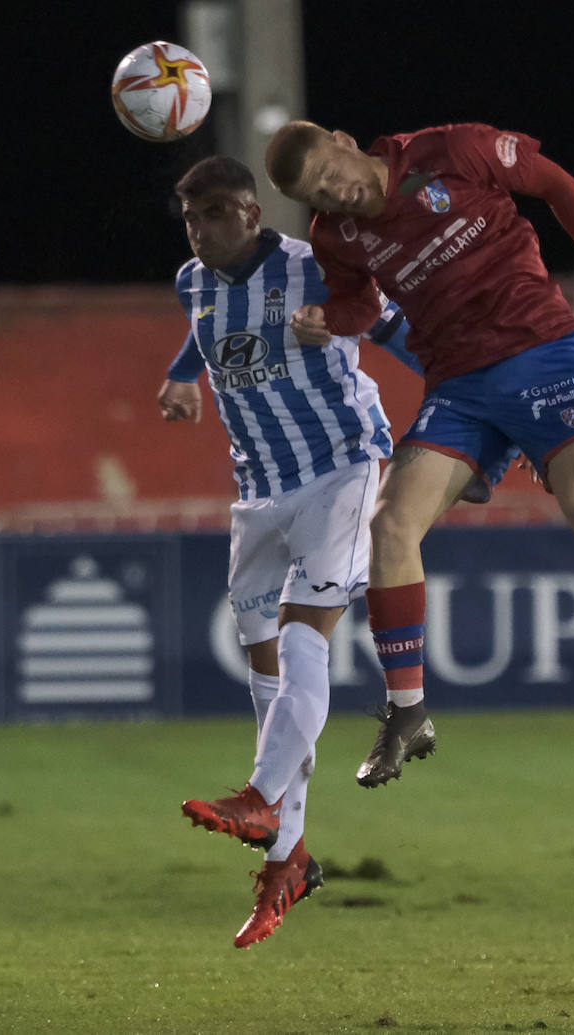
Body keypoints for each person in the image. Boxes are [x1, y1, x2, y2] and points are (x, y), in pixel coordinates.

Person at [264, 119, 574, 786]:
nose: (334, 195)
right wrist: (329, 322)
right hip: (460, 385)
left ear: (344, 141)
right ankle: (408, 711)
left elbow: (558, 185)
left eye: (329, 174)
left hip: (541, 350)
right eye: (318, 194)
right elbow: (359, 306)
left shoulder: (448, 150)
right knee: (389, 525)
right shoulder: (333, 237)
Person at [161, 155, 421, 948]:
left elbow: (404, 331)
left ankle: (261, 796)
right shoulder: (191, 280)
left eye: (210, 215)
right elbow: (206, 332)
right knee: (265, 677)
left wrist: (475, 410)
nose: (198, 231)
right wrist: (183, 379)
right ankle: (289, 857)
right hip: (259, 490)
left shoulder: (317, 268)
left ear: (247, 210)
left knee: (307, 632)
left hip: (342, 465)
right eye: (188, 219)